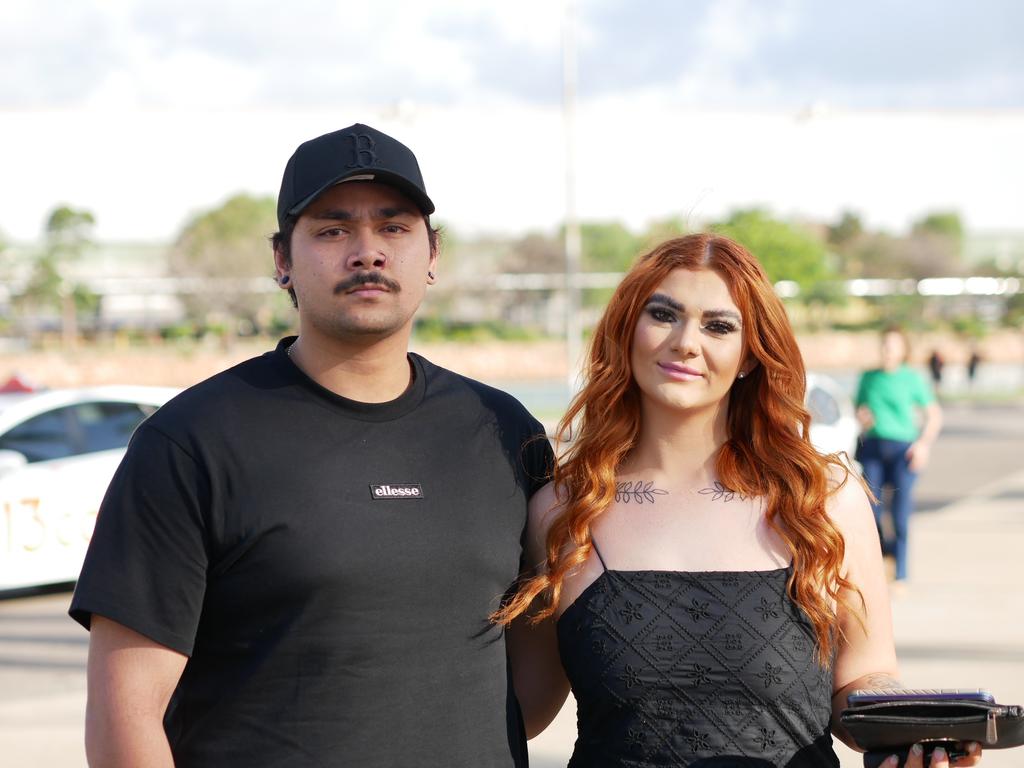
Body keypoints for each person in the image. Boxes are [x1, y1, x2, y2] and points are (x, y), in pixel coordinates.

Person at [69, 123, 552, 767]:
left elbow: (532, 691)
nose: (367, 252)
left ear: (432, 254)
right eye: (331, 229)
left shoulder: (505, 433)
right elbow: (123, 715)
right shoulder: (190, 443)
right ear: (282, 260)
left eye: (394, 227)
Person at [496, 235, 980, 767]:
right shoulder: (562, 510)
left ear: (750, 355)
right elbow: (521, 706)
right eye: (663, 314)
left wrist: (911, 731)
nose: (685, 342)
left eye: (718, 326)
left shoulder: (825, 501)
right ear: (627, 329)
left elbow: (863, 675)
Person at [855, 327, 942, 584]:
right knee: (870, 511)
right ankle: (881, 563)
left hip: (903, 451)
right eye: (884, 345)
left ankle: (901, 572)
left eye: (893, 346)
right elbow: (861, 409)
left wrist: (923, 445)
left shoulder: (912, 379)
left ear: (903, 350)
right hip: (872, 449)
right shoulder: (869, 377)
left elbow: (934, 416)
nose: (887, 350)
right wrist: (863, 417)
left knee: (901, 514)